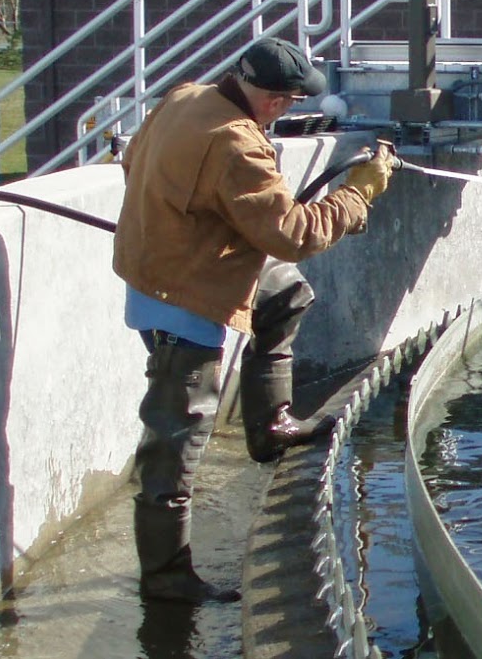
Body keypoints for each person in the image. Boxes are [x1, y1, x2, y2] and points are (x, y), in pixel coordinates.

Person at [112, 37, 394, 604]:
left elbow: (130, 160)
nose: (289, 109)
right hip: (180, 297)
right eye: (287, 101)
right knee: (177, 439)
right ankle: (166, 580)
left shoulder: (186, 97)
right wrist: (359, 194)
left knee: (283, 293)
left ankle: (270, 425)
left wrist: (196, 224)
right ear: (264, 96)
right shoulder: (236, 143)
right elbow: (293, 234)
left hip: (176, 260)